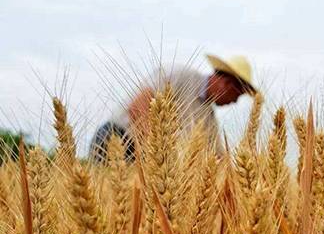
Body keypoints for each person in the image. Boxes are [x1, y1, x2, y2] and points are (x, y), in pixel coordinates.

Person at [90, 54, 257, 162]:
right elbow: (139, 106)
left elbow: (218, 157)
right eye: (237, 96)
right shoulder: (181, 76)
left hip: (149, 163)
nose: (234, 103)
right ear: (227, 84)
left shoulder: (209, 117)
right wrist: (162, 157)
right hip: (116, 141)